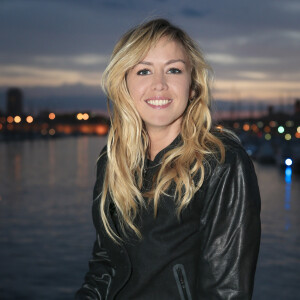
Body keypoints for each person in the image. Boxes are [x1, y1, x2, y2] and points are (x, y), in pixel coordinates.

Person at [75, 18, 261, 300]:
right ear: (123, 83)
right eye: (144, 71)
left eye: (173, 69)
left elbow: (226, 292)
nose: (159, 85)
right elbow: (104, 268)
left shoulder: (221, 164)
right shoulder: (113, 161)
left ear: (193, 84)